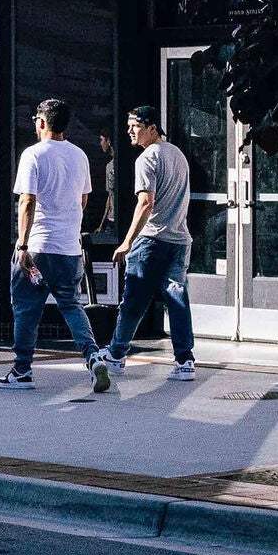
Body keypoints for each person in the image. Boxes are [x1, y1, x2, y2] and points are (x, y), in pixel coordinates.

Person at [0, 98, 109, 391]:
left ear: (42, 122)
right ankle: (93, 356)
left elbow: (27, 200)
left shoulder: (33, 155)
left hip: (38, 246)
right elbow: (83, 200)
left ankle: (22, 371)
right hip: (69, 249)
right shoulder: (80, 156)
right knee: (72, 306)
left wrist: (22, 246)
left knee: (26, 309)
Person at [101, 104, 199, 383]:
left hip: (152, 239)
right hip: (179, 239)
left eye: (136, 126)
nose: (129, 131)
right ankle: (185, 361)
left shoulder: (147, 158)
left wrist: (127, 241)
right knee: (177, 300)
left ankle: (116, 355)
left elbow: (146, 203)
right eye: (129, 126)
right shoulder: (177, 154)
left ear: (152, 128)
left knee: (133, 300)